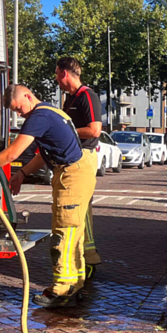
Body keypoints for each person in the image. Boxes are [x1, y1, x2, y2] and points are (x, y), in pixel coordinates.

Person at [0, 84, 97, 306]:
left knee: (64, 231)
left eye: (19, 109)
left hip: (72, 173)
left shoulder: (38, 117)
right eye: (16, 112)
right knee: (74, 231)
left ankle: (61, 290)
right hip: (76, 169)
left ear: (28, 96)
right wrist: (23, 173)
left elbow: (11, 154)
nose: (20, 114)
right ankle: (75, 283)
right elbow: (45, 153)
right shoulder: (51, 111)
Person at [56, 57, 103, 279]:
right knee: (79, 211)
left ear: (65, 73)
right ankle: (86, 257)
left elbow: (95, 130)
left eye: (57, 74)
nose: (56, 80)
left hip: (83, 158)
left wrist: (66, 131)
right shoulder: (70, 99)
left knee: (79, 211)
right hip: (72, 158)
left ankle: (87, 258)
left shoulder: (87, 96)